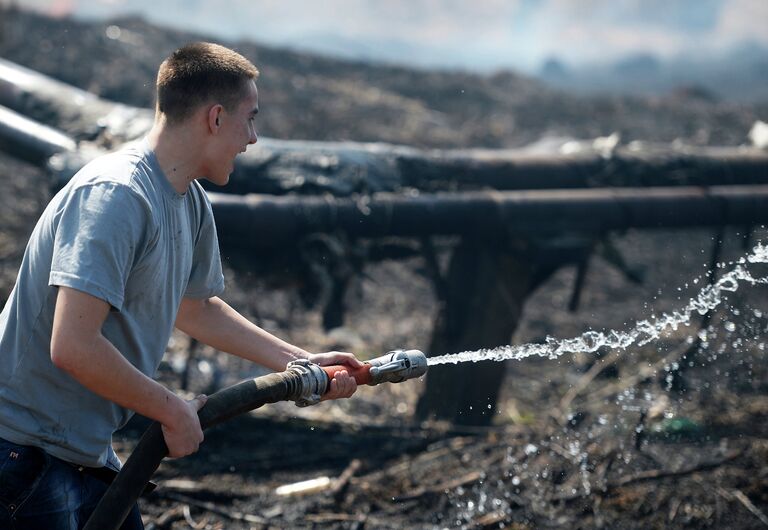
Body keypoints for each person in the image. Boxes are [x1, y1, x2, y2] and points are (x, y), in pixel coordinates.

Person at [0, 42, 361, 529]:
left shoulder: (188, 201)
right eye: (249, 119)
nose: (252, 138)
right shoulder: (116, 196)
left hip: (78, 453)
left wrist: (298, 362)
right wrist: (170, 410)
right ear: (215, 118)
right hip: (20, 455)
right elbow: (72, 345)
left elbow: (195, 308)